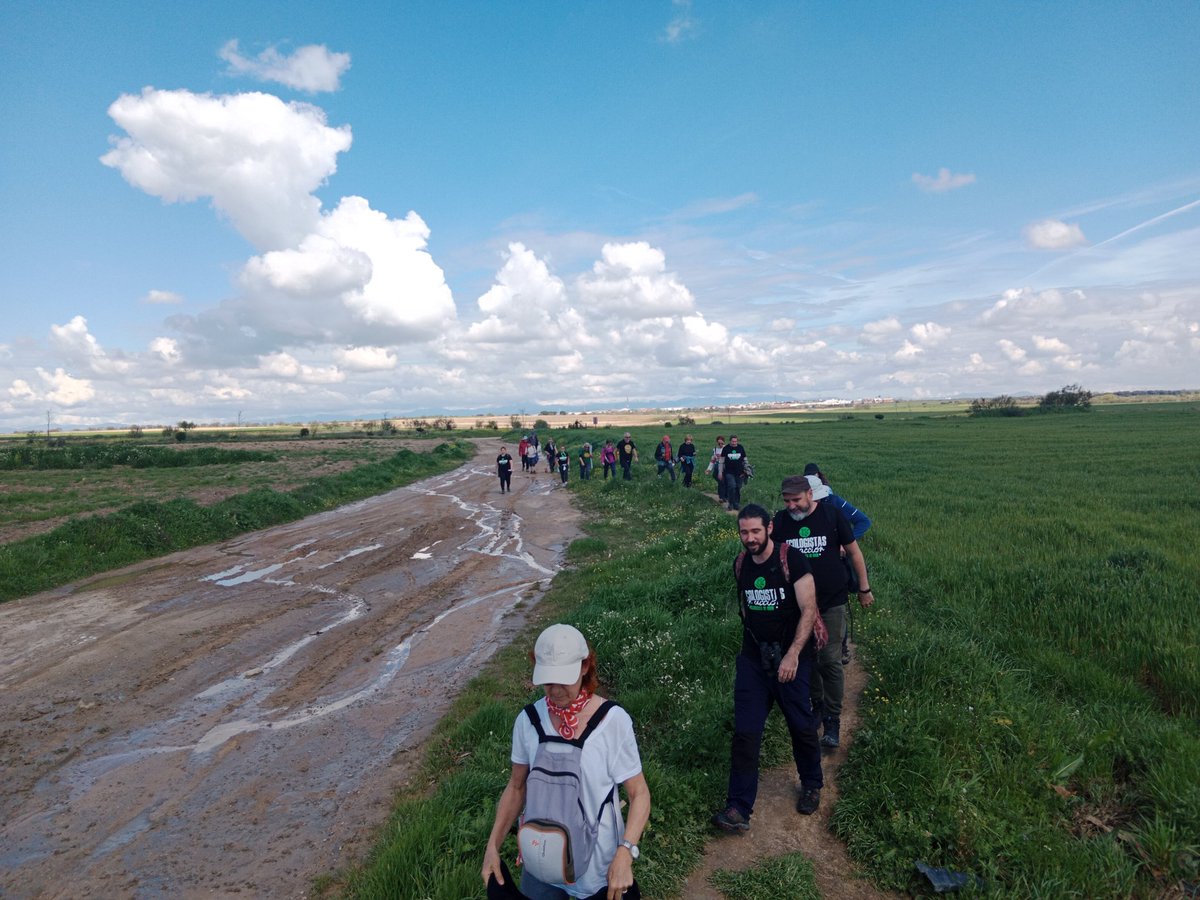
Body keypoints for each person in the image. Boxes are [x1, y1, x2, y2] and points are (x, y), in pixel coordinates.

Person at [482, 624, 651, 899]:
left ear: (585, 667)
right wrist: (492, 846)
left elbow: (639, 793)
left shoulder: (612, 721)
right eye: (548, 681)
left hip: (599, 869)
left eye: (564, 679)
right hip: (541, 863)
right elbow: (516, 788)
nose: (555, 690)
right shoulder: (529, 721)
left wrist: (626, 852)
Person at [712, 504, 823, 833]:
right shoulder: (741, 564)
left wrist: (792, 655)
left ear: (769, 528)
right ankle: (738, 807)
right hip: (754, 658)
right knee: (745, 732)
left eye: (756, 531)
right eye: (744, 532)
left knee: (801, 723)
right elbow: (746, 607)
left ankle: (812, 783)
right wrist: (759, 647)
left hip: (793, 655)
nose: (750, 538)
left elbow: (809, 609)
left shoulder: (792, 560)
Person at [771, 475, 874, 750]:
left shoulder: (831, 515)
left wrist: (864, 589)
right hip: (797, 605)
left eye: (797, 500)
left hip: (831, 601)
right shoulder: (780, 522)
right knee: (809, 657)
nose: (792, 506)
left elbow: (854, 553)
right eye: (787, 501)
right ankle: (815, 704)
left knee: (829, 659)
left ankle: (832, 719)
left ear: (809, 495)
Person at [804, 462, 872, 665]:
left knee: (836, 605)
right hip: (809, 567)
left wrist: (846, 541)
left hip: (836, 565)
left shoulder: (834, 502)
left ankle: (840, 647)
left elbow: (863, 521)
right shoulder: (796, 509)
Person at [718, 435, 748, 511]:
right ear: (730, 441)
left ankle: (736, 504)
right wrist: (720, 472)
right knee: (732, 486)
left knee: (738, 487)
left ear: (737, 441)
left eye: (735, 441)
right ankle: (730, 504)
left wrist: (747, 469)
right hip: (729, 472)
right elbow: (721, 461)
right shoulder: (726, 448)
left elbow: (745, 459)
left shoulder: (740, 448)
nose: (734, 443)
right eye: (733, 441)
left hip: (740, 472)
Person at [706, 436, 727, 501]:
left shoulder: (726, 449)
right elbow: (713, 460)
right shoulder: (715, 449)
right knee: (718, 479)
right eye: (719, 443)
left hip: (724, 467)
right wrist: (709, 469)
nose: (720, 445)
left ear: (724, 442)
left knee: (721, 481)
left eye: (722, 443)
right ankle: (723, 495)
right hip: (716, 466)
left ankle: (722, 497)